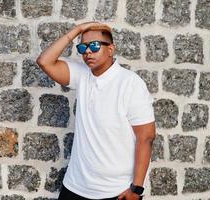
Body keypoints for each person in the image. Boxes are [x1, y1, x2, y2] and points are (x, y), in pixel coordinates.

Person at [36, 22, 156, 200]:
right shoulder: (83, 75)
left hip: (115, 191)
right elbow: (44, 61)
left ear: (110, 49)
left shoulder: (130, 83)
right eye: (83, 47)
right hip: (76, 186)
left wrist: (136, 189)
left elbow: (146, 137)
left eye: (94, 46)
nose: (88, 52)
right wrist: (76, 31)